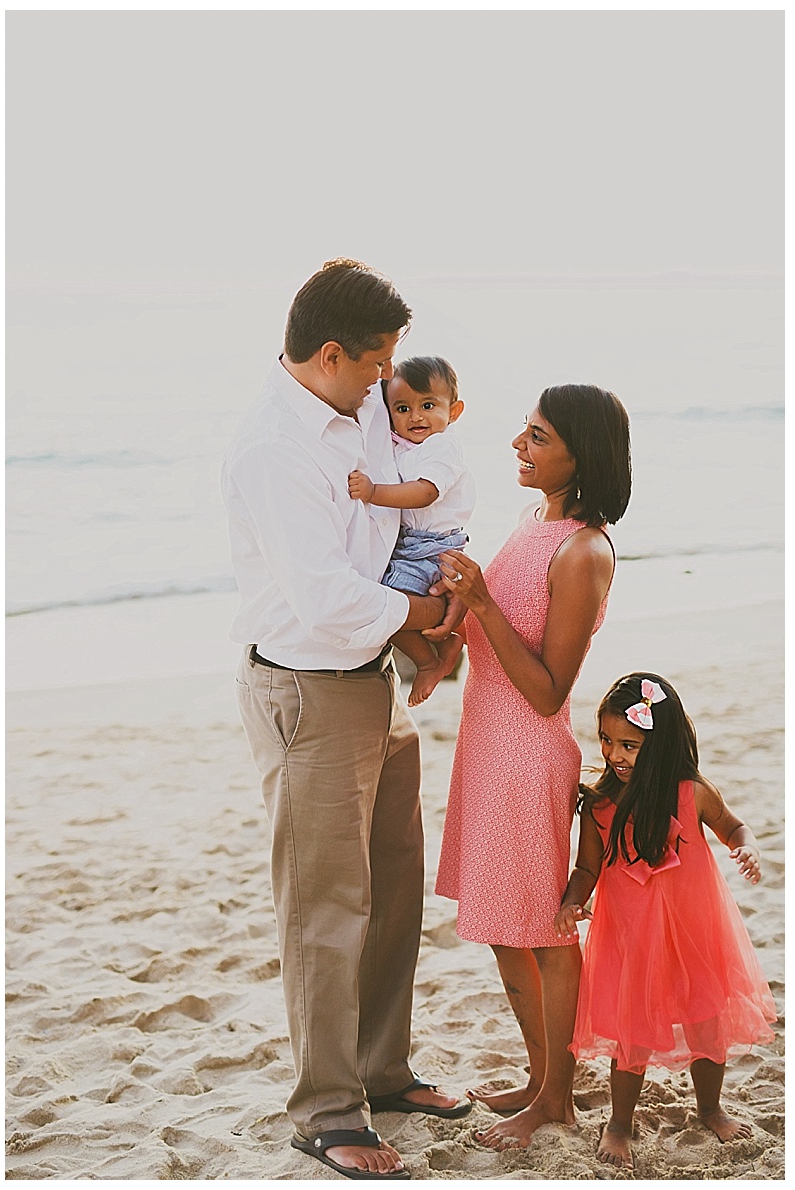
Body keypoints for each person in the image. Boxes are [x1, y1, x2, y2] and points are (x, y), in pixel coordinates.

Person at [222, 259, 470, 1182]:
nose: (388, 384)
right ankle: (326, 1111)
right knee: (326, 907)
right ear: (330, 355)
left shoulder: (354, 403)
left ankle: (383, 1071)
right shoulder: (273, 449)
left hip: (370, 678)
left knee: (394, 888)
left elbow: (418, 472)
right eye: (376, 365)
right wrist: (424, 617)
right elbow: (325, 598)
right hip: (307, 688)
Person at [432, 384, 632, 1150]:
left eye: (539, 436)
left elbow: (550, 691)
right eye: (525, 429)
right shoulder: (534, 520)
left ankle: (556, 1100)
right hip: (486, 745)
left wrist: (480, 603)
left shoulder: (584, 548)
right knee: (503, 929)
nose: (519, 443)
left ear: (582, 456)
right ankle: (543, 1074)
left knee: (545, 934)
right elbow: (490, 634)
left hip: (528, 755)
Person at [555, 673, 777, 1170]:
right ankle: (618, 1123)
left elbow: (732, 825)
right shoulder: (599, 805)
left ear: (660, 742)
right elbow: (587, 868)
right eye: (608, 741)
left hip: (695, 932)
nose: (615, 754)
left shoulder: (692, 792)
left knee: (706, 1021)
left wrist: (747, 847)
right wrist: (573, 901)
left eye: (630, 744)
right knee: (632, 1033)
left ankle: (710, 1107)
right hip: (633, 938)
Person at [349, 355, 476, 706]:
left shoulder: (442, 447)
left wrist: (374, 492)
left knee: (388, 605)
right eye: (402, 408)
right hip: (414, 545)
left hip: (433, 547)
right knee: (389, 602)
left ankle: (428, 663)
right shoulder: (402, 446)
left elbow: (425, 492)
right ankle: (444, 644)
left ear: (454, 411)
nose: (415, 416)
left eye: (428, 405)